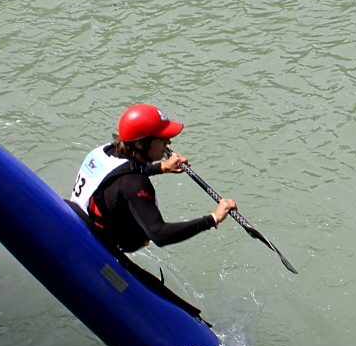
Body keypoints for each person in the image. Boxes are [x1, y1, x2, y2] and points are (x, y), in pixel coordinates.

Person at [69, 104, 236, 259]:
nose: (168, 142)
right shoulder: (134, 183)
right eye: (162, 138)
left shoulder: (106, 151)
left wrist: (161, 167)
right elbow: (159, 234)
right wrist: (213, 218)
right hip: (99, 250)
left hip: (82, 225)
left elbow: (120, 173)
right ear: (140, 144)